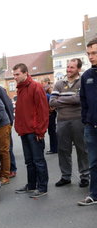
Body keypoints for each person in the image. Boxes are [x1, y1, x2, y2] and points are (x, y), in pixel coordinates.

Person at [49, 58, 89, 188]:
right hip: (62, 121)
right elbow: (52, 102)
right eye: (68, 67)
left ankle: (84, 176)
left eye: (72, 67)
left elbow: (80, 99)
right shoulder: (59, 83)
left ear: (78, 69)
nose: (68, 69)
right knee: (63, 150)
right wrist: (72, 99)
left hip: (79, 120)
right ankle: (65, 176)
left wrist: (62, 98)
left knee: (82, 149)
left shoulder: (82, 82)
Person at [12, 63, 50, 198]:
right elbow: (22, 110)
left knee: (38, 160)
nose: (15, 77)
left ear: (25, 73)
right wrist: (18, 127)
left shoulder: (35, 87)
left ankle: (42, 187)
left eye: (17, 74)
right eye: (14, 74)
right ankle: (32, 184)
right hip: (24, 131)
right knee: (29, 161)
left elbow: (43, 111)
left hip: (34, 131)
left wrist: (40, 131)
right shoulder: (21, 89)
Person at [78, 38, 97, 206]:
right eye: (88, 53)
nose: (91, 57)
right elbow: (83, 101)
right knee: (93, 162)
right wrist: (86, 120)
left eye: (94, 53)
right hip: (91, 127)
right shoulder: (87, 76)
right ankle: (94, 194)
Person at [43, 83, 58, 154]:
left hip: (50, 115)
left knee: (52, 132)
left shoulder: (47, 96)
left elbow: (52, 106)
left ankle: (54, 148)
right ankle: (55, 148)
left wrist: (49, 110)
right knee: (53, 132)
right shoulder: (50, 95)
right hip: (52, 115)